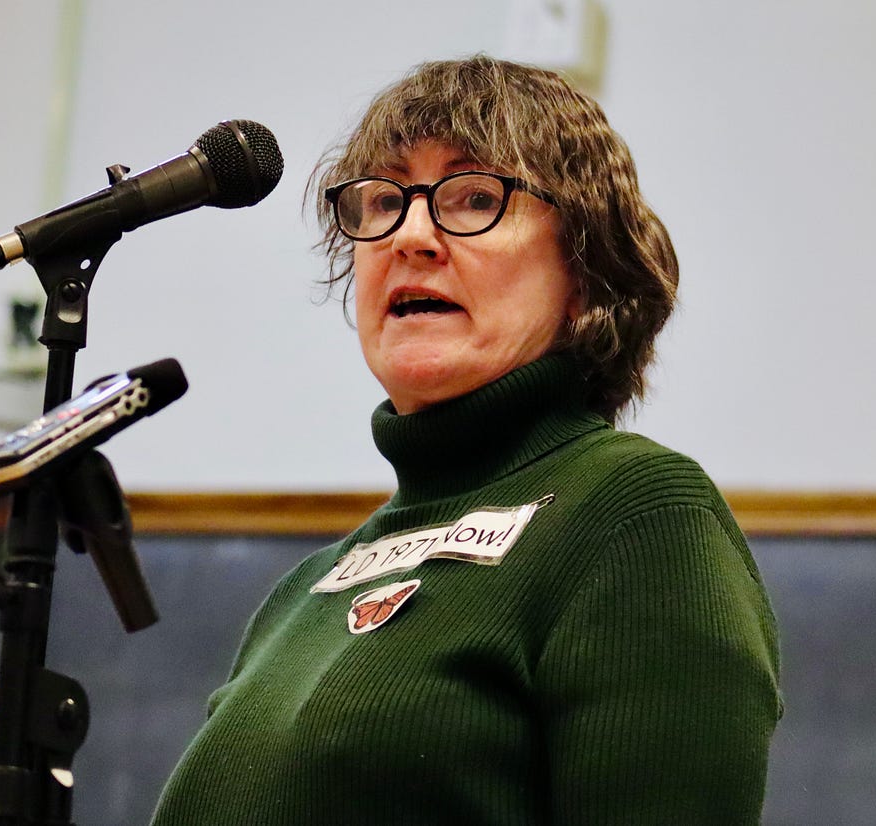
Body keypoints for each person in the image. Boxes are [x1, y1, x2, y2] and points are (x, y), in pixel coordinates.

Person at [152, 55, 781, 825]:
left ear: (586, 275)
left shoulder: (638, 513)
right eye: (385, 201)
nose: (410, 235)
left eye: (476, 196)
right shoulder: (305, 589)